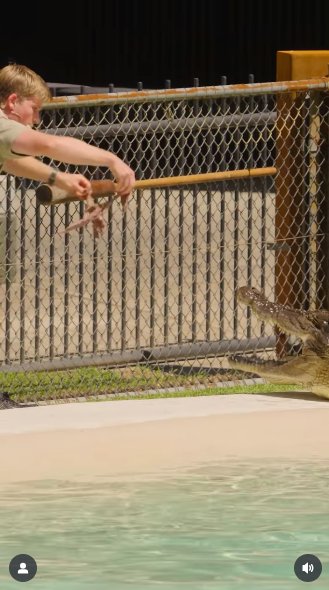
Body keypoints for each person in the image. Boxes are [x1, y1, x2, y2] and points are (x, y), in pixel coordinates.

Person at [0, 63, 135, 222]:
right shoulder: (3, 126)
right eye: (34, 108)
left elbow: (10, 161)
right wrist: (112, 160)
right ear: (12, 101)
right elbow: (50, 145)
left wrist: (58, 178)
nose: (36, 119)